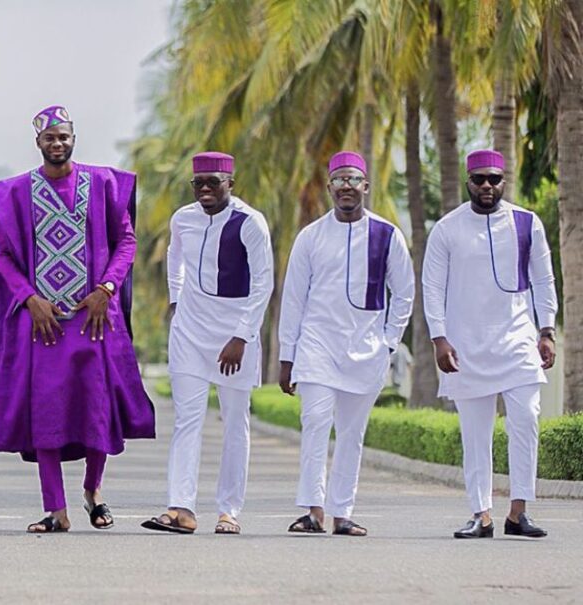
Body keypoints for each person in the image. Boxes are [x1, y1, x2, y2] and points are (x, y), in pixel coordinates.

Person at [0, 105, 155, 533]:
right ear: (37, 143)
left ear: (73, 138)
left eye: (64, 137)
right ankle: (55, 508)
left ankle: (94, 491)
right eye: (49, 138)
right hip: (43, 323)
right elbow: (1, 254)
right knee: (47, 412)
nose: (57, 144)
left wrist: (106, 289)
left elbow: (126, 241)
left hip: (94, 318)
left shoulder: (104, 185)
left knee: (97, 408)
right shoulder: (20, 192)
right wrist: (29, 299)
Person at [422, 149, 557, 539]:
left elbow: (544, 280)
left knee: (527, 418)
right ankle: (481, 514)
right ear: (467, 181)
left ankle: (518, 512)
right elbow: (432, 287)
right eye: (479, 179)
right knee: (475, 432)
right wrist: (439, 337)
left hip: (518, 339)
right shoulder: (447, 228)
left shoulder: (527, 223)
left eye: (493, 179)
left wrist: (546, 330)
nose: (486, 186)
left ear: (504, 181)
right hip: (465, 345)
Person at [278, 151, 414, 536]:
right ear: (329, 188)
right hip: (317, 346)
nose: (346, 187)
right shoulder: (311, 236)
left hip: (367, 351)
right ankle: (313, 510)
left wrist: (389, 343)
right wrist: (287, 356)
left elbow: (404, 293)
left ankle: (343, 513)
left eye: (354, 180)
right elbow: (294, 299)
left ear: (365, 186)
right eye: (339, 180)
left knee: (352, 434)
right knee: (316, 422)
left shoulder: (387, 234)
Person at [141, 151, 272, 536]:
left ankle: (229, 510)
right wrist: (176, 301)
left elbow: (263, 282)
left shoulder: (250, 222)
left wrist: (242, 336)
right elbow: (174, 257)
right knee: (187, 420)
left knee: (235, 422)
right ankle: (180, 508)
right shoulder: (183, 218)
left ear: (231, 182)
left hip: (235, 338)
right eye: (198, 183)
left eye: (213, 183)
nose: (205, 191)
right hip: (189, 333)